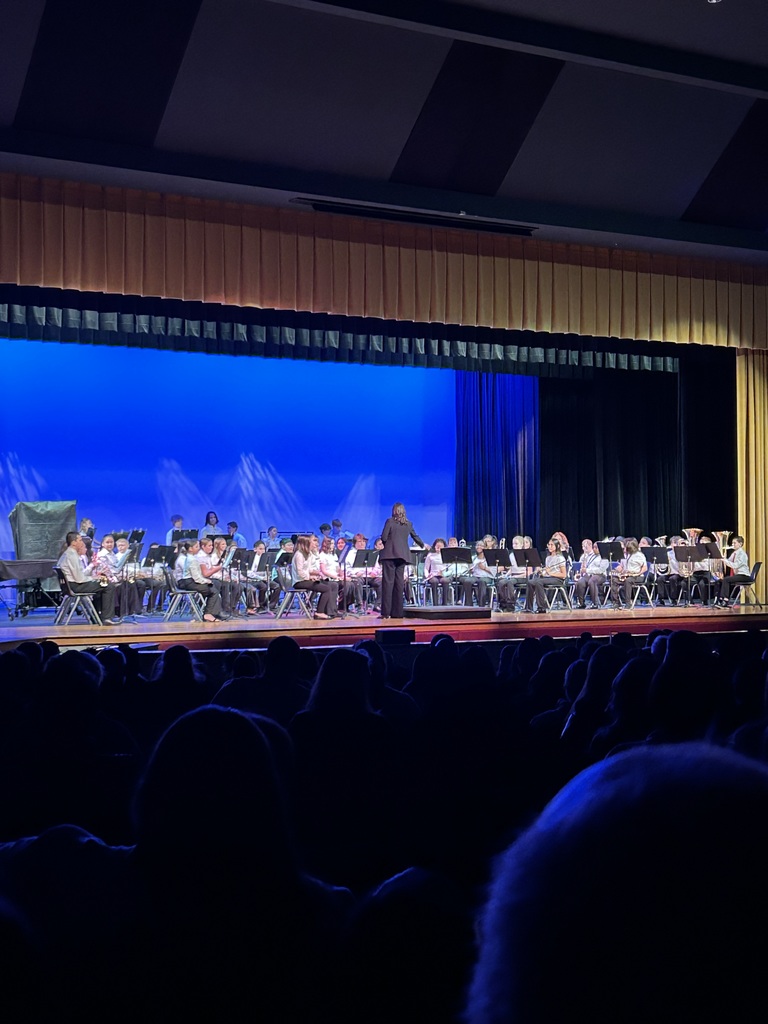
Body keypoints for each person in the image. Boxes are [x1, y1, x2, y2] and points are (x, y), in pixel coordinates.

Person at [56, 532, 120, 624]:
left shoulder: (69, 553)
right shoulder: (72, 555)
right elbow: (79, 579)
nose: (82, 543)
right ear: (73, 542)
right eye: (80, 540)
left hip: (71, 585)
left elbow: (80, 574)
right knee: (108, 586)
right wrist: (94, 578)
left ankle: (97, 616)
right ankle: (107, 617)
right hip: (75, 586)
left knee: (101, 585)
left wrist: (94, 576)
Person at [379, 502, 425, 619]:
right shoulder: (408, 524)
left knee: (388, 584)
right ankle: (397, 613)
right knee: (399, 584)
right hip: (403, 556)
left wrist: (388, 545)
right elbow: (415, 536)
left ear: (394, 511)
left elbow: (384, 537)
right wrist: (423, 545)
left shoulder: (390, 521)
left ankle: (386, 613)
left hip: (389, 555)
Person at [291, 534, 340, 619]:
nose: (314, 544)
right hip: (299, 581)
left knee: (333, 585)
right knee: (325, 589)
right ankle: (319, 612)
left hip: (306, 579)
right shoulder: (299, 554)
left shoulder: (308, 554)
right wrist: (309, 577)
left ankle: (331, 611)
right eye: (311, 542)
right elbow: (300, 572)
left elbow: (309, 570)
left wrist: (317, 574)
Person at [177, 539, 225, 621]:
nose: (198, 548)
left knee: (213, 587)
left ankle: (212, 612)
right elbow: (196, 578)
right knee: (213, 591)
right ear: (191, 549)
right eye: (196, 547)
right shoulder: (192, 560)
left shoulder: (191, 558)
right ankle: (208, 613)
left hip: (189, 581)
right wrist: (207, 581)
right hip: (188, 582)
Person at [524, 538, 567, 613]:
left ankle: (541, 607)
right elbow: (547, 572)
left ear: (557, 546)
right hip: (549, 578)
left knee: (538, 582)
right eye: (549, 545)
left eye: (552, 545)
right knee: (530, 582)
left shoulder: (560, 558)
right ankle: (529, 607)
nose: (549, 546)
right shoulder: (548, 558)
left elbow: (563, 575)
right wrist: (542, 573)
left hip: (558, 579)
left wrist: (550, 573)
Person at [609, 537, 648, 608]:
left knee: (628, 581)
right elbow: (621, 566)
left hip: (637, 576)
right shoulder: (624, 555)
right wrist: (616, 571)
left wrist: (637, 574)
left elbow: (645, 568)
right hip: (626, 575)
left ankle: (628, 603)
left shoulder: (640, 555)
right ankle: (616, 602)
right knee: (613, 579)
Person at [715, 535, 752, 606]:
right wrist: (722, 557)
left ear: (740, 544)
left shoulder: (742, 554)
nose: (732, 545)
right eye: (732, 543)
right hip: (738, 575)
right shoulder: (734, 553)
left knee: (726, 580)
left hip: (744, 575)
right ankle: (719, 599)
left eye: (734, 543)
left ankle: (725, 600)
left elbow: (735, 565)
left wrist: (724, 560)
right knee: (720, 581)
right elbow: (729, 561)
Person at [573, 538, 609, 609]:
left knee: (592, 581)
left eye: (596, 547)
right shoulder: (591, 556)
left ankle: (595, 603)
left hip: (600, 575)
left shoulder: (604, 557)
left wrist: (587, 570)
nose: (594, 549)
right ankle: (581, 603)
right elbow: (587, 566)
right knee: (580, 582)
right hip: (590, 575)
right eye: (594, 547)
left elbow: (601, 570)